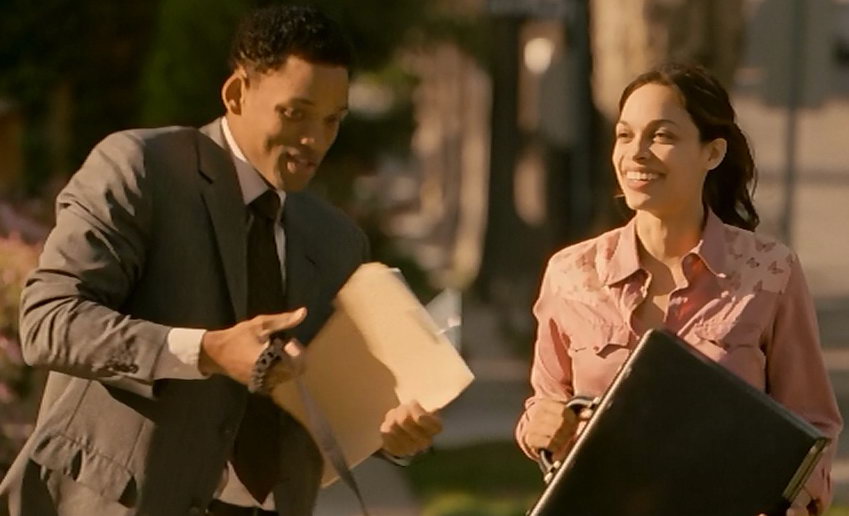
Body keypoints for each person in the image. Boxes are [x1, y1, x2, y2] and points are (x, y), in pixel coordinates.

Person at [0, 5, 441, 516]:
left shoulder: (338, 241)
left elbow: (332, 397)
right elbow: (49, 322)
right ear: (236, 94)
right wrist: (206, 350)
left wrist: (394, 435)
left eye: (332, 120)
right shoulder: (139, 168)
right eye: (295, 113)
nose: (314, 140)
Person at [515, 63, 842, 515]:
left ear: (713, 153)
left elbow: (813, 426)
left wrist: (787, 503)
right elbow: (544, 405)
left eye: (662, 136)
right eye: (625, 135)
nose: (636, 153)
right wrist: (541, 427)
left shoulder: (770, 272)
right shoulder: (570, 273)